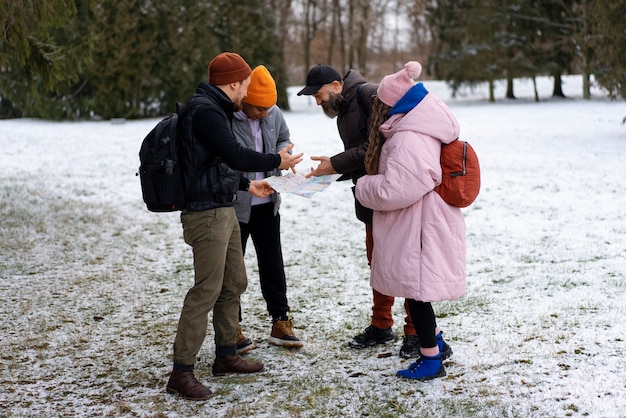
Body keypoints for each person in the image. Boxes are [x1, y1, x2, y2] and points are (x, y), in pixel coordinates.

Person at [166, 52, 303, 401]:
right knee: (206, 290)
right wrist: (276, 161)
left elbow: (217, 166)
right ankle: (181, 372)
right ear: (233, 84)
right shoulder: (206, 112)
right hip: (205, 213)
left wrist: (247, 186)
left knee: (234, 281)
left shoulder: (216, 110)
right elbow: (236, 156)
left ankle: (227, 354)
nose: (247, 90)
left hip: (223, 206)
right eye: (245, 84)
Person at [297, 64, 418, 358]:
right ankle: (381, 324)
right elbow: (361, 155)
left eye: (319, 94)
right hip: (369, 196)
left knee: (404, 263)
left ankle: (416, 332)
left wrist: (335, 163)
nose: (317, 101)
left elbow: (378, 145)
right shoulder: (345, 108)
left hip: (392, 195)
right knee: (377, 261)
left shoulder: (369, 96)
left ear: (337, 85)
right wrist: (328, 172)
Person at [355, 61, 464, 381]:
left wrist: (363, 186)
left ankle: (431, 359)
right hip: (419, 222)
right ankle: (438, 344)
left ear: (393, 105)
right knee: (415, 290)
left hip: (419, 225)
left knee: (416, 294)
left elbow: (397, 189)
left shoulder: (409, 137)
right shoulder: (417, 126)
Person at [231, 65, 303, 351]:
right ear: (246, 98)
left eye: (269, 109)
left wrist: (284, 154)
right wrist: (272, 160)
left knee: (273, 264)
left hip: (269, 204)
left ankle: (281, 321)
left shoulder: (273, 113)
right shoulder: (227, 119)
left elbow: (283, 138)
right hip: (236, 206)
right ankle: (231, 328)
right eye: (259, 109)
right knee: (232, 271)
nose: (264, 114)